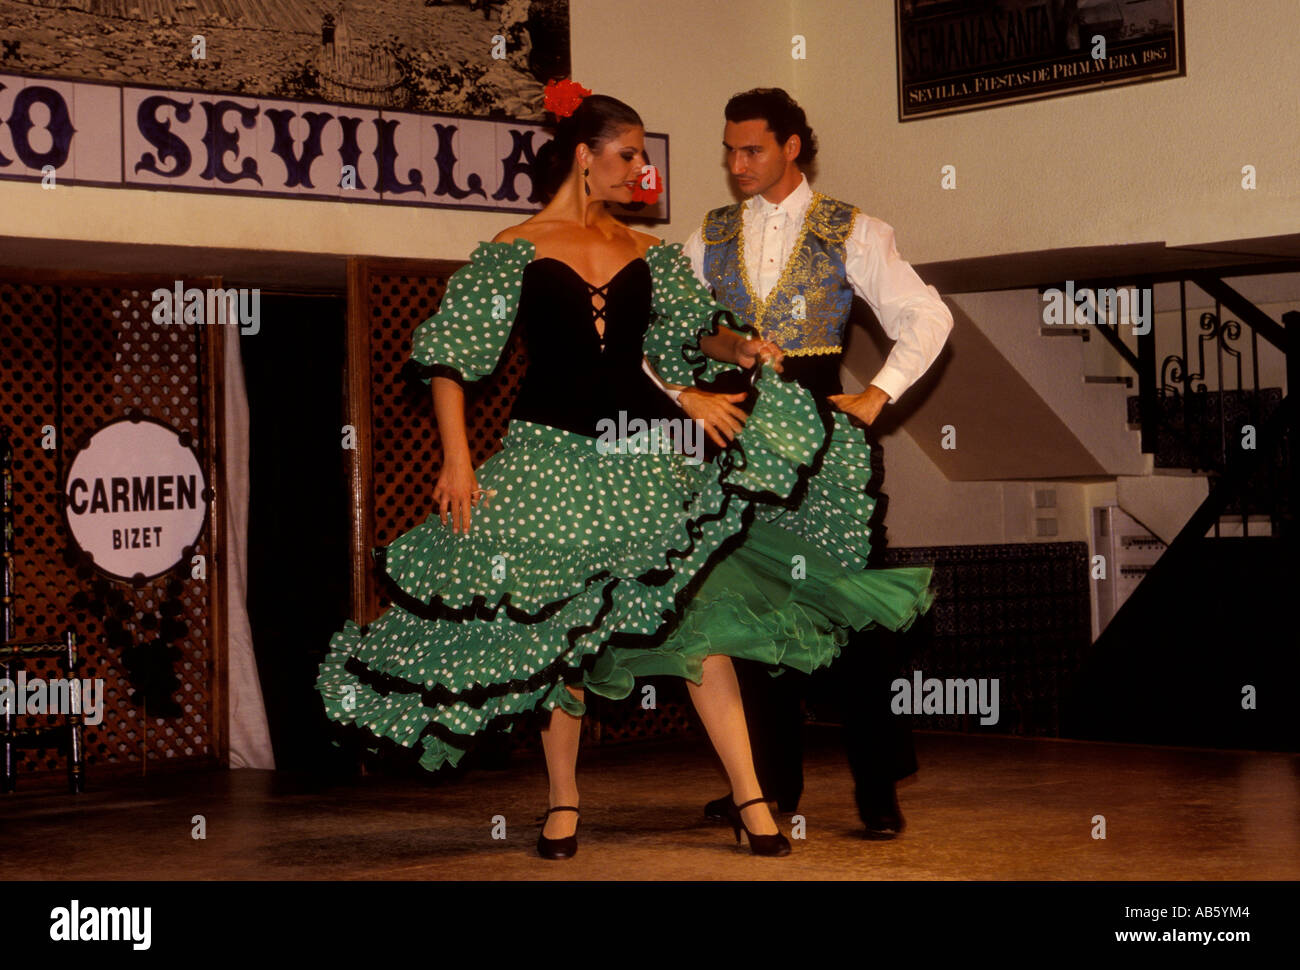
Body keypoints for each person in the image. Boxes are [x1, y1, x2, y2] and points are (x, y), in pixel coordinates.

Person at [317, 83, 845, 860]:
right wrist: (457, 461)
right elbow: (451, 361)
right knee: (557, 633)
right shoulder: (513, 250)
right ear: (584, 156)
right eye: (628, 155)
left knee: (701, 630)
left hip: (643, 455)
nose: (642, 170)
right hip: (548, 462)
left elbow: (691, 335)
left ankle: (753, 798)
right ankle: (563, 800)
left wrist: (741, 350)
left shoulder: (648, 253)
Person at [670, 87, 952, 837]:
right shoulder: (710, 235)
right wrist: (691, 395)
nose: (736, 164)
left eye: (752, 149)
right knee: (745, 611)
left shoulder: (850, 228)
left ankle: (877, 786)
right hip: (738, 447)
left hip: (827, 450)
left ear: (793, 147)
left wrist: (878, 394)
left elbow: (929, 315)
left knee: (855, 611)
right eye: (729, 150)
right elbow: (674, 327)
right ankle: (767, 789)